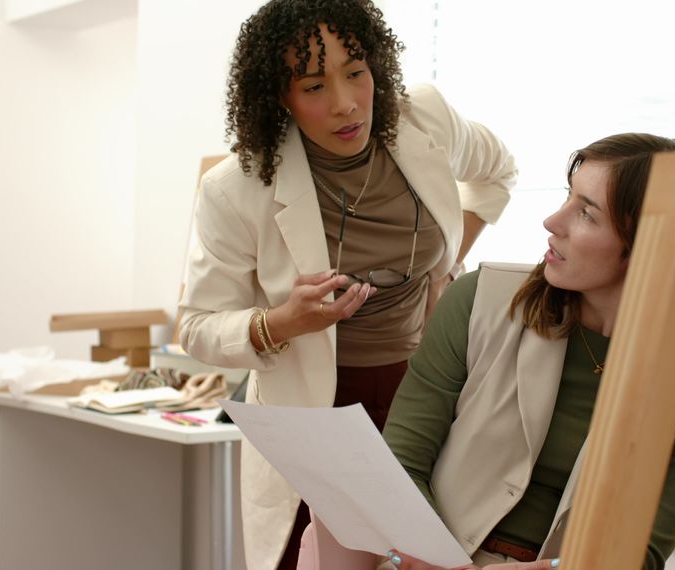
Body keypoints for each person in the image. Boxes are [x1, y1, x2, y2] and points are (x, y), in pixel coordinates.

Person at [177, 0, 517, 568]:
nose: (345, 103)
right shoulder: (235, 187)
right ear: (277, 98)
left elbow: (497, 172)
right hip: (317, 416)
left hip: (424, 394)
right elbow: (196, 327)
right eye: (313, 86)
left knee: (427, 557)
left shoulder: (423, 119)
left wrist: (444, 267)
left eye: (356, 73)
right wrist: (281, 322)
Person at [380, 133, 675, 570]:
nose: (553, 221)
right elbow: (401, 463)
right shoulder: (480, 301)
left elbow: (639, 555)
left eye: (586, 213)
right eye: (568, 198)